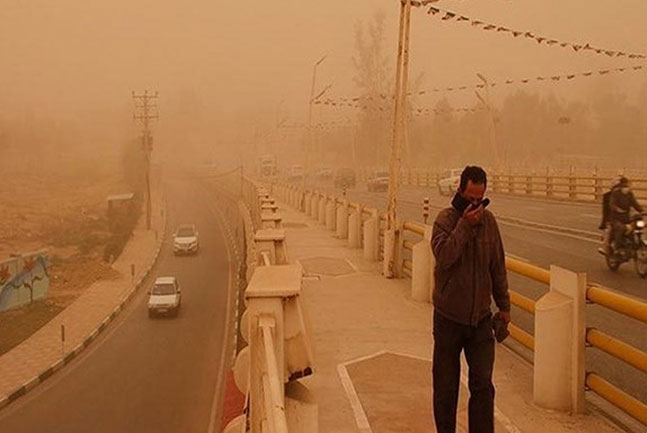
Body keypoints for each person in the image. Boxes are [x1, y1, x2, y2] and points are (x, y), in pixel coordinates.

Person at [430, 165, 510, 433]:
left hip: (480, 320)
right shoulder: (444, 220)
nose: (476, 205)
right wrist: (465, 225)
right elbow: (445, 258)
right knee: (446, 388)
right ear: (461, 191)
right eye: (471, 198)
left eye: (481, 199)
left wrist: (505, 308)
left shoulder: (490, 224)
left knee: (483, 386)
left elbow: (497, 267)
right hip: (448, 319)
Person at [608, 177, 644, 249]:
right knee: (621, 228)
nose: (626, 188)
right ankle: (617, 247)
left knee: (636, 226)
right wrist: (617, 209)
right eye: (624, 186)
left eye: (627, 186)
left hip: (626, 217)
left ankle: (634, 245)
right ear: (621, 186)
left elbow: (635, 204)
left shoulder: (629, 194)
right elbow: (612, 204)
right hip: (616, 218)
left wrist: (642, 211)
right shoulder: (615, 194)